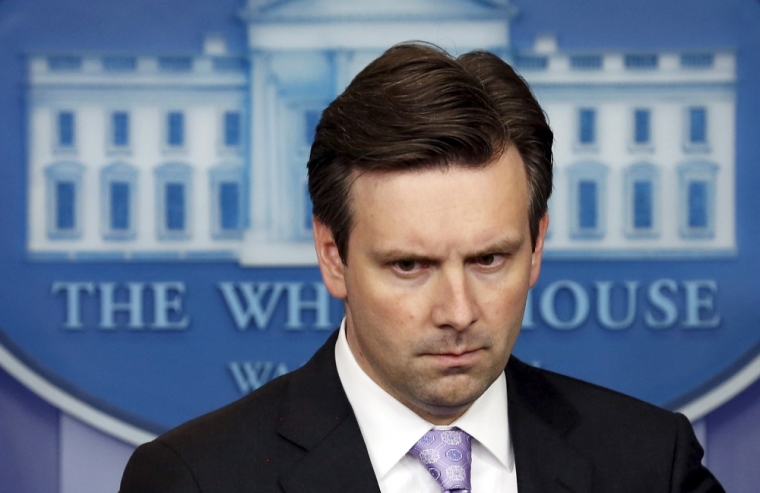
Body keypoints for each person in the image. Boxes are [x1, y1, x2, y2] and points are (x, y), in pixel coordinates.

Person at [120, 43, 724, 493]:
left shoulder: (651, 463)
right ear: (333, 256)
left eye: (490, 259)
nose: (458, 313)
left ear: (537, 246)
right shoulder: (196, 480)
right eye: (410, 265)